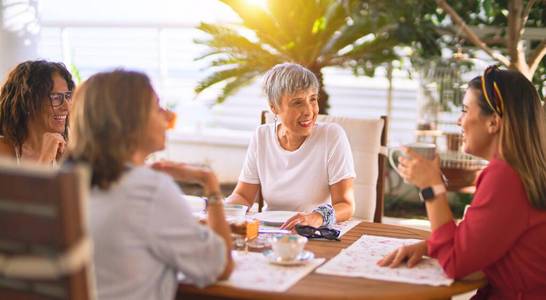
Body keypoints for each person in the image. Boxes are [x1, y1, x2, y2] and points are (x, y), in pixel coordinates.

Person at [378, 66, 546, 299]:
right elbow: (484, 237)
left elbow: (455, 263)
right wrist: (430, 246)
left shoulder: (505, 176)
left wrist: (431, 187)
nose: (459, 121)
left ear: (493, 122)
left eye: (465, 110)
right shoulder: (521, 169)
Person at [68, 70, 233, 300]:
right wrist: (210, 183)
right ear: (128, 121)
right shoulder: (148, 190)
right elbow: (220, 266)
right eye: (157, 107)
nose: (168, 115)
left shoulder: (68, 183)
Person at [226, 63, 356, 230]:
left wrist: (315, 218)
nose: (309, 111)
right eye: (297, 103)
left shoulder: (332, 136)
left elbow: (345, 205)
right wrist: (220, 209)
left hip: (314, 233)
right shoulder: (261, 136)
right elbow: (243, 196)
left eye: (313, 99)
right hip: (269, 231)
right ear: (273, 107)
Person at [0, 60, 74, 165]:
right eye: (56, 97)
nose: (66, 107)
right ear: (28, 102)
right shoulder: (3, 151)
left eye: (67, 96)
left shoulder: (67, 151)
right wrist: (44, 160)